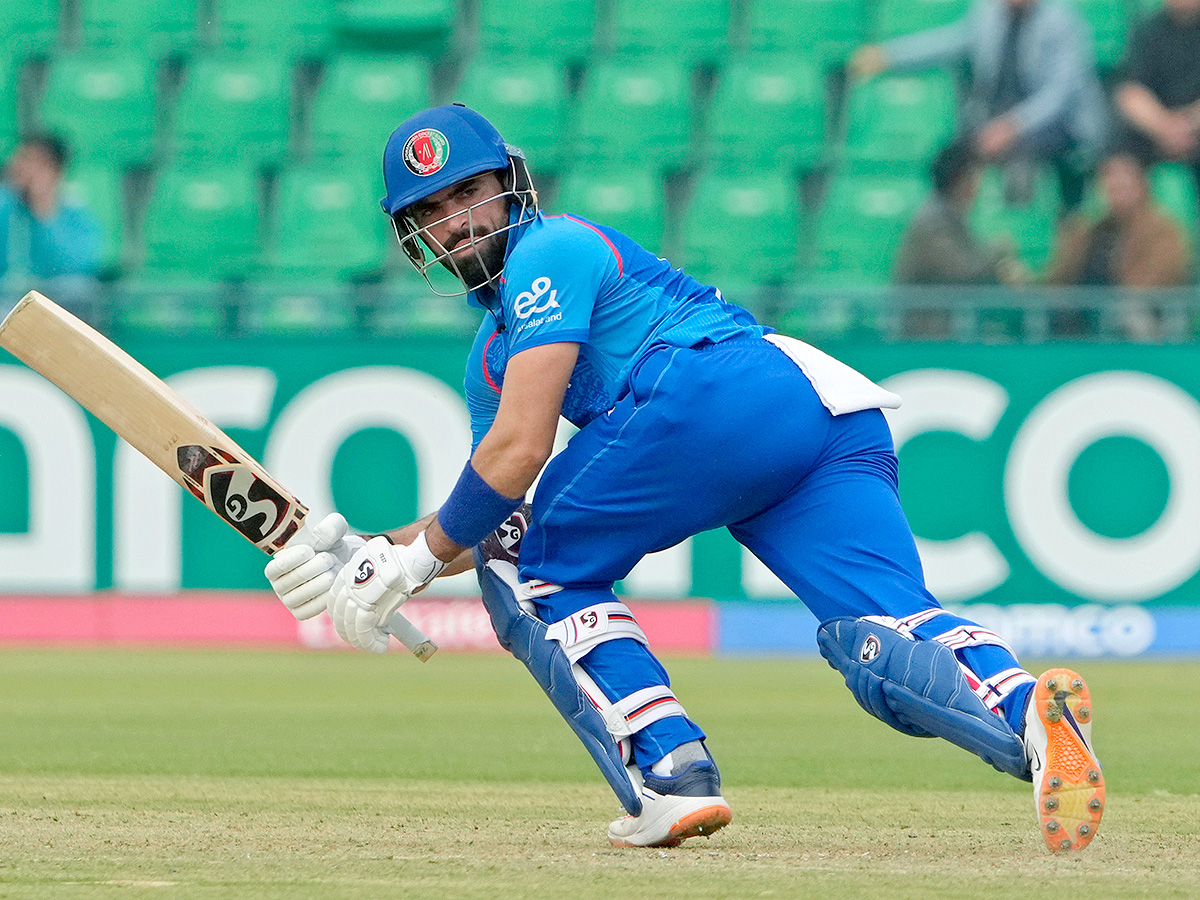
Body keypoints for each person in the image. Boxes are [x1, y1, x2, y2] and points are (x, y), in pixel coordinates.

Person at [263, 105, 1105, 853]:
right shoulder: (492, 355)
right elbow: (489, 504)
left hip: (704, 389)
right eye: (431, 212)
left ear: (512, 185)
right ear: (413, 238)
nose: (456, 222)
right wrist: (369, 555)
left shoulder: (548, 248)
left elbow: (515, 462)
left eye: (468, 192)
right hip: (814, 411)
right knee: (880, 641)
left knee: (531, 568)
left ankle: (669, 774)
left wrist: (408, 570)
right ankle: (1031, 716)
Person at [850, 0, 1109, 214]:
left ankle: (1021, 234)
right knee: (950, 158)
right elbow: (948, 43)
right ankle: (950, 234)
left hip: (1054, 128)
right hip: (993, 123)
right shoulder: (987, 13)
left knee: (1020, 159)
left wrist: (1013, 126)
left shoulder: (1062, 20)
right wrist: (890, 56)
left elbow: (1060, 94)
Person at [1045, 151, 1192, 338]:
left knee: (1130, 316)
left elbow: (1152, 283)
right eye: (1109, 182)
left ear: (1141, 186)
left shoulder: (1163, 231)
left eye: (1123, 184)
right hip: (1084, 312)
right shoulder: (1087, 229)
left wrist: (1111, 302)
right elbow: (1058, 279)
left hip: (1142, 314)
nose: (1115, 189)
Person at [893, 139, 1028, 335]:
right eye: (975, 175)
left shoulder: (951, 217)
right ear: (960, 178)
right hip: (925, 338)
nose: (979, 184)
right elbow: (966, 271)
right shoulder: (933, 222)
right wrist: (1000, 250)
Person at [0, 134, 103, 323]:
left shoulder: (73, 211)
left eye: (37, 163)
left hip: (56, 303)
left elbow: (75, 267)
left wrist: (44, 211)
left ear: (55, 170)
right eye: (22, 158)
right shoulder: (4, 204)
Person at [1113, 0, 1200, 197]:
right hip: (1155, 131)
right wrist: (1163, 127)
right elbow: (1129, 92)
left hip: (1195, 127)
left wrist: (1190, 122)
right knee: (1118, 159)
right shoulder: (1147, 30)